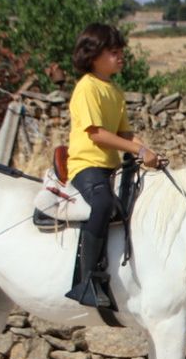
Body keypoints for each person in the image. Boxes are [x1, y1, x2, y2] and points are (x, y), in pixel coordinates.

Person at [63, 23, 164, 309]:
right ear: (93, 55)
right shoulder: (87, 88)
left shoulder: (113, 90)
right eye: (113, 52)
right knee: (104, 203)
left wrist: (149, 150)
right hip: (87, 166)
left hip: (110, 167)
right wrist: (138, 149)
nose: (121, 57)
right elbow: (96, 133)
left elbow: (123, 133)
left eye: (121, 52)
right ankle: (87, 280)